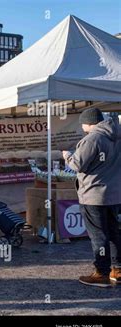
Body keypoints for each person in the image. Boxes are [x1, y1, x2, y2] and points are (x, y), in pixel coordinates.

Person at [63, 108, 121, 287]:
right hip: (113, 194)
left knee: (98, 235)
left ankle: (101, 273)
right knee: (114, 232)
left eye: (82, 122)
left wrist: (67, 157)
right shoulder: (117, 136)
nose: (81, 125)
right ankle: (117, 270)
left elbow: (77, 164)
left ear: (89, 122)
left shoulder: (92, 139)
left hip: (94, 195)